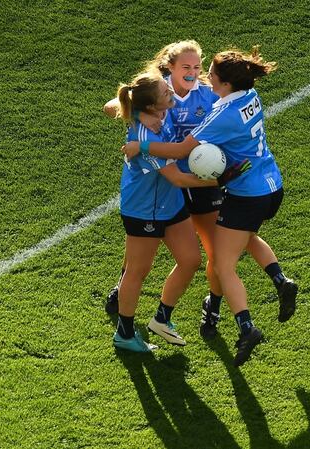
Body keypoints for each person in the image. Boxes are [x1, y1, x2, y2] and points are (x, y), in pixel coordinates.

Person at [104, 41, 298, 342]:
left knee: (209, 255)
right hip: (169, 186)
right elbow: (118, 105)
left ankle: (206, 310)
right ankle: (126, 306)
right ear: (169, 68)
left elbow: (183, 152)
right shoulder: (157, 90)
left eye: (199, 66)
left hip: (190, 184)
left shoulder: (206, 92)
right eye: (187, 67)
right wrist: (134, 117)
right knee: (141, 260)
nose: (195, 73)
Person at [112, 71, 248, 352]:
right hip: (144, 210)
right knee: (138, 271)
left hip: (171, 204)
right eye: (165, 93)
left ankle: (162, 319)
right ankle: (124, 333)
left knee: (190, 260)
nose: (171, 93)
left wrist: (140, 113)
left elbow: (122, 105)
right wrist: (221, 179)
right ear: (151, 106)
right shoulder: (143, 132)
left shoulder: (158, 115)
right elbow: (178, 178)